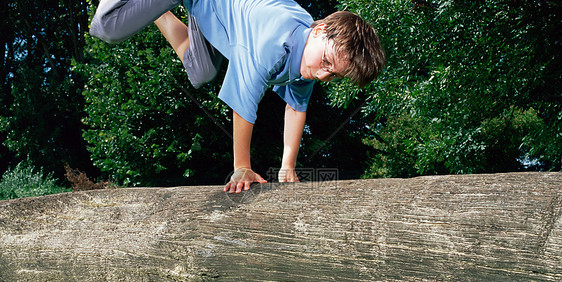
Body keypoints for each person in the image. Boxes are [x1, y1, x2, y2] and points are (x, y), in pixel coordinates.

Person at [90, 0, 386, 193]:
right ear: (320, 30)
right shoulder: (272, 41)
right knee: (108, 29)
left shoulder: (308, 54)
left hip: (211, 11)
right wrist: (241, 167)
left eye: (334, 75)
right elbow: (243, 106)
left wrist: (288, 167)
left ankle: (158, 8)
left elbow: (296, 107)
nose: (323, 75)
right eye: (326, 63)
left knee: (201, 72)